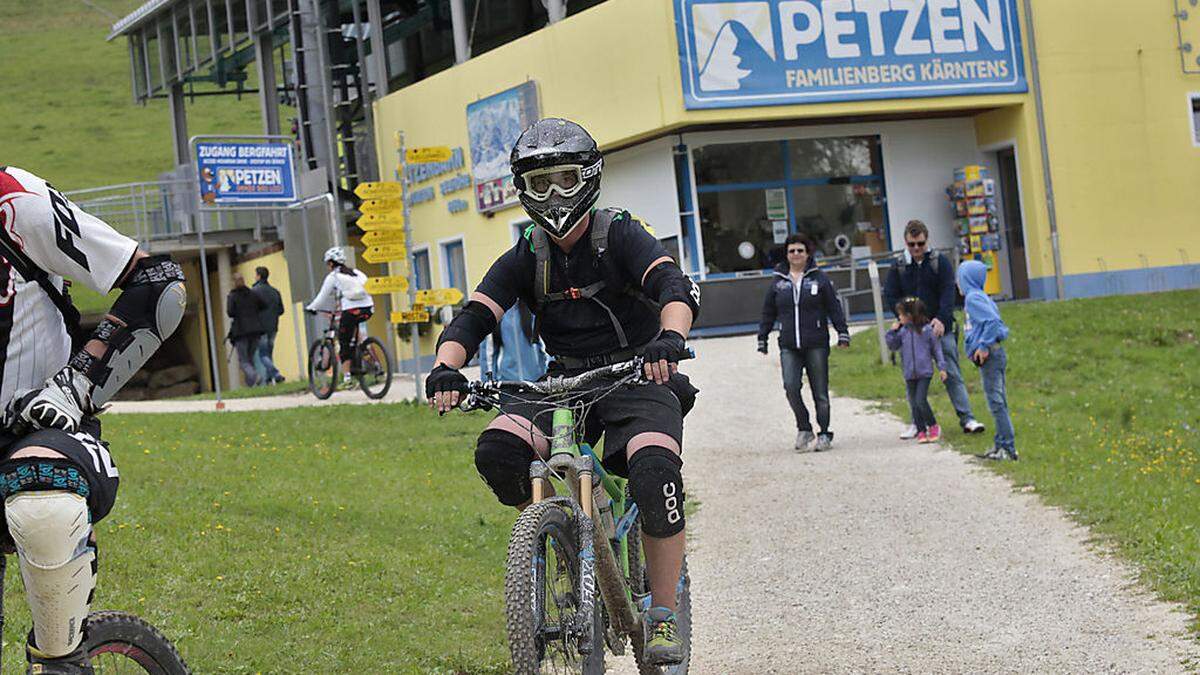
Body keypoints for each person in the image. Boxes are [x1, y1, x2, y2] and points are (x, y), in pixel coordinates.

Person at [424, 118, 701, 665]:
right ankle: (563, 532)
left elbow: (673, 285)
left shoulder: (617, 232)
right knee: (499, 450)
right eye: (540, 183)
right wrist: (445, 369)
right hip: (563, 380)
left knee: (654, 470)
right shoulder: (527, 253)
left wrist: (669, 339)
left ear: (589, 178)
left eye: (565, 179)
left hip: (637, 373)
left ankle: (663, 613)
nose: (554, 195)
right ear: (523, 190)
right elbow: (475, 316)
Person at [0, 166, 186, 673]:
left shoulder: (16, 203)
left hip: (31, 430)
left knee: (45, 498)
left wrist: (77, 384)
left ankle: (59, 659)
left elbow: (158, 286)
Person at [883, 219, 985, 437]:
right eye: (912, 244)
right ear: (906, 243)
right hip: (911, 333)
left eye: (920, 243)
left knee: (951, 372)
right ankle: (917, 423)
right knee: (911, 377)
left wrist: (941, 318)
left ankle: (967, 419)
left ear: (926, 240)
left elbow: (948, 292)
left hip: (939, 329)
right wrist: (903, 317)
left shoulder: (940, 262)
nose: (917, 249)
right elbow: (891, 294)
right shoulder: (898, 266)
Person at [756, 233, 850, 452]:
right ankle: (804, 427)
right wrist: (763, 336)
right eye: (792, 251)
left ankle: (825, 432)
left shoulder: (819, 278)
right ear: (787, 255)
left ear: (808, 254)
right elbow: (768, 311)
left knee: (820, 391)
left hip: (816, 343)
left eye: (800, 250)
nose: (796, 254)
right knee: (790, 386)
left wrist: (842, 333)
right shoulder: (779, 282)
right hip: (789, 344)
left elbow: (834, 308)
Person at [958, 260, 1017, 461]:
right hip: (994, 354)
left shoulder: (973, 298)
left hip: (990, 355)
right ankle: (1001, 444)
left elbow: (992, 322)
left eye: (960, 278)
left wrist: (983, 346)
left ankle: (1007, 448)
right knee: (998, 401)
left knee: (996, 402)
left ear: (967, 279)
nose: (958, 283)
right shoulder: (980, 297)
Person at [306, 247, 373, 387]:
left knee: (344, 343)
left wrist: (311, 308)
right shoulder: (356, 273)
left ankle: (347, 379)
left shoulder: (333, 277)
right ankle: (372, 362)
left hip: (351, 310)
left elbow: (322, 296)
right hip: (368, 308)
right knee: (355, 338)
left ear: (331, 263)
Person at [885, 297, 948, 443]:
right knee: (913, 403)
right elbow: (893, 345)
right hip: (909, 372)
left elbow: (937, 350)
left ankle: (933, 425)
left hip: (924, 372)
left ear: (909, 315)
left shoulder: (927, 331)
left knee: (920, 400)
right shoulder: (903, 332)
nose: (899, 317)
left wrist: (942, 368)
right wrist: (891, 332)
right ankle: (921, 430)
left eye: (901, 314)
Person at [479, 300, 548, 382]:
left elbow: (547, 348)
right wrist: (488, 382)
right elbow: (488, 353)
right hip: (507, 383)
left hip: (537, 382)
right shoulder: (494, 313)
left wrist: (548, 378)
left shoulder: (534, 309)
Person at [226, 273, 265, 387]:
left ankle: (255, 377)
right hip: (256, 330)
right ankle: (251, 386)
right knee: (250, 358)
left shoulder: (232, 296)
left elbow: (230, 312)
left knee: (243, 361)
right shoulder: (253, 294)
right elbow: (263, 305)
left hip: (241, 332)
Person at [252, 266, 285, 385]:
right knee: (269, 353)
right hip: (273, 326)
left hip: (261, 328)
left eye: (255, 275)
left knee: (263, 355)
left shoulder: (254, 291)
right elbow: (281, 310)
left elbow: (252, 310)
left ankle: (276, 374)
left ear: (259, 276)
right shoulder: (275, 291)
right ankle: (268, 380)